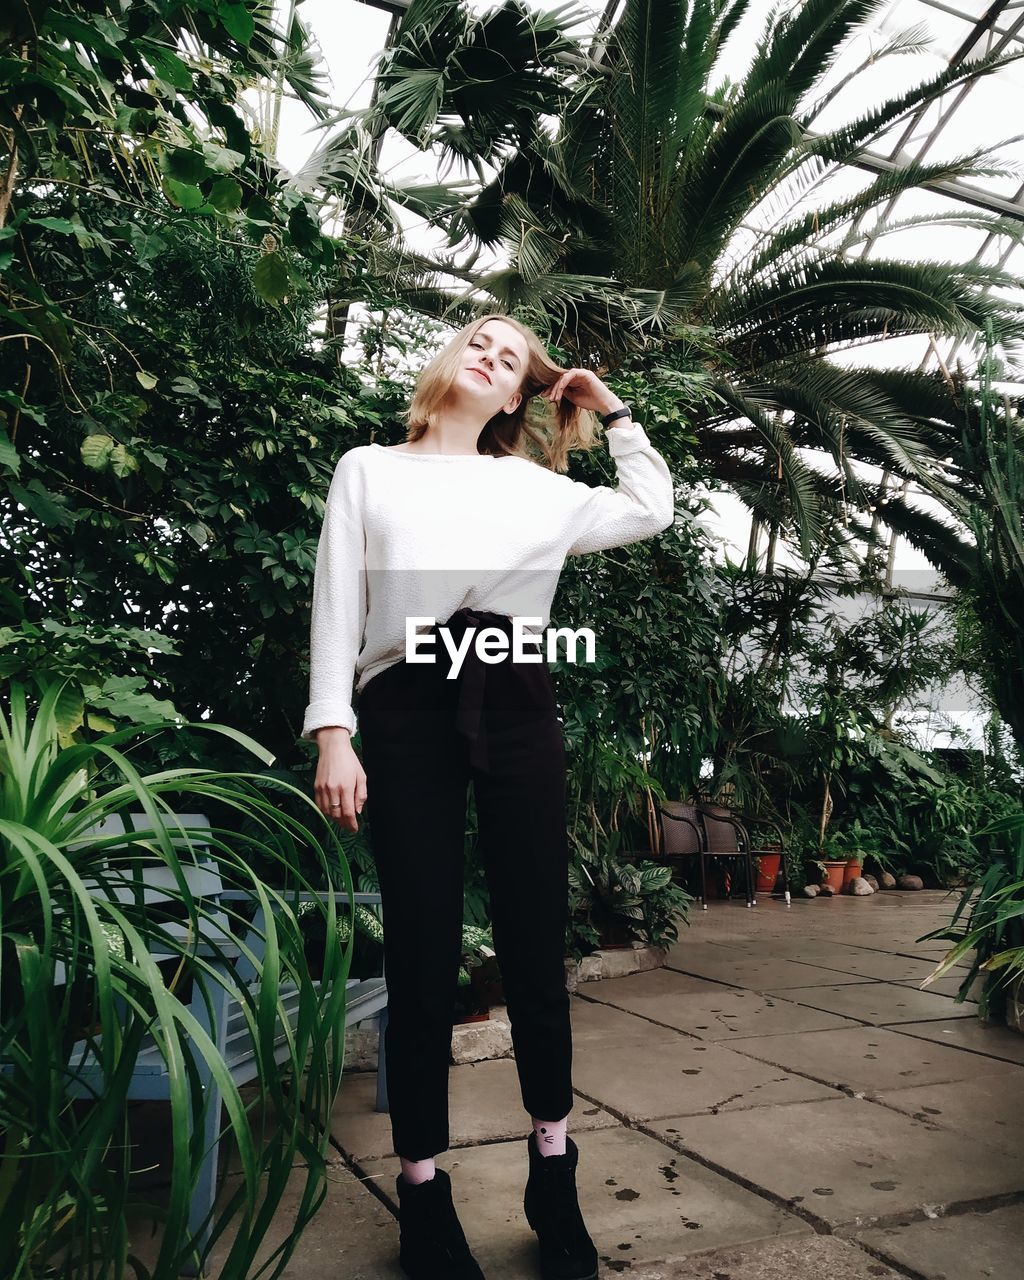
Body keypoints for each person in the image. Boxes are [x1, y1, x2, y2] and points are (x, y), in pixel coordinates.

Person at [301, 313, 674, 1280]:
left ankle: (553, 1174)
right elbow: (337, 598)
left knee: (532, 944)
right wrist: (332, 731)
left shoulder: (535, 488)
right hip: (406, 700)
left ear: (517, 397)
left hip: (512, 688)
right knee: (423, 951)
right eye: (480, 341)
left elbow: (652, 506)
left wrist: (611, 408)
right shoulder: (368, 470)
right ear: (448, 361)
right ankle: (423, 1194)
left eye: (512, 360)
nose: (491, 357)